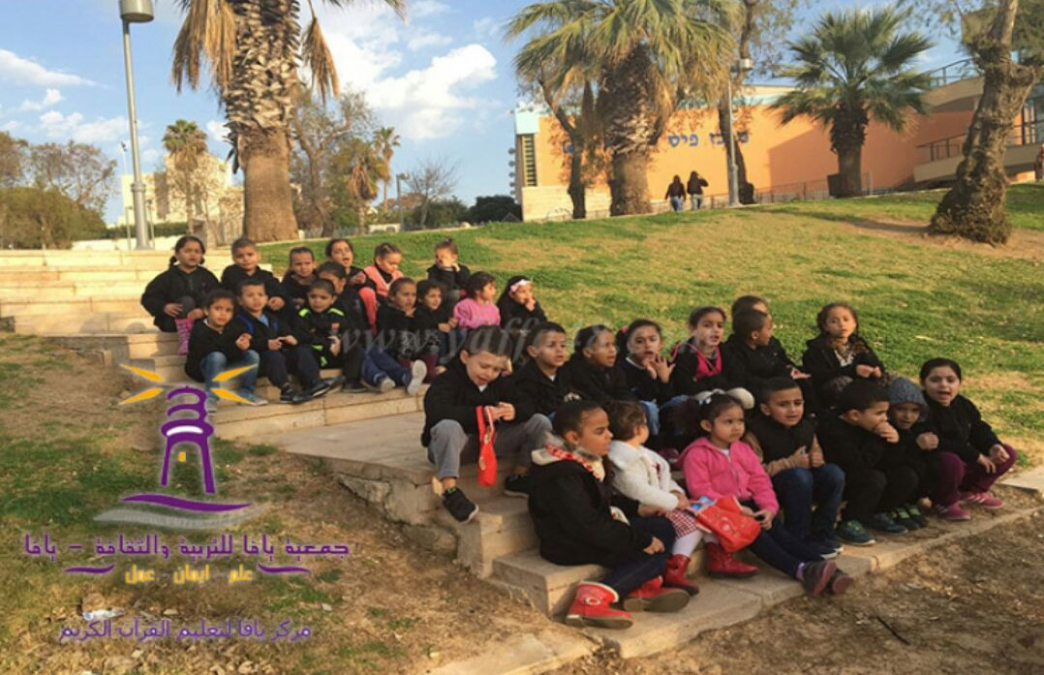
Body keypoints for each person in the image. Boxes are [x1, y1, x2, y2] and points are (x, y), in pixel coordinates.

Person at [529, 400, 690, 628]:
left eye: (608, 429)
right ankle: (590, 600)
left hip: (593, 529)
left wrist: (637, 508)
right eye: (600, 431)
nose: (610, 435)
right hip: (569, 543)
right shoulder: (562, 474)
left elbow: (599, 500)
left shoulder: (582, 458)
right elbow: (587, 525)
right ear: (574, 437)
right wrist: (641, 540)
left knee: (662, 527)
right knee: (653, 554)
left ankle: (639, 588)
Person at [678, 392, 852, 596]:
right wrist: (736, 508)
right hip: (720, 509)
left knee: (780, 533)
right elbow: (700, 490)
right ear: (707, 425)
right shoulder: (697, 454)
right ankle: (800, 570)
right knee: (757, 536)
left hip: (748, 504)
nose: (737, 427)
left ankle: (825, 568)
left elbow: (760, 480)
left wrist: (769, 508)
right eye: (728, 422)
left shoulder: (742, 449)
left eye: (740, 421)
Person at [423, 326, 551, 521]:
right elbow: (437, 411)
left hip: (489, 443)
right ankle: (450, 491)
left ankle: (518, 477)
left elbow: (529, 404)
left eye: (496, 369)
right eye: (484, 366)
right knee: (448, 426)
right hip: (456, 445)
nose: (489, 373)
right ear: (465, 357)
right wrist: (479, 414)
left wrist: (514, 411)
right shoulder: (447, 381)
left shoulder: (502, 383)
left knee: (540, 422)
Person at [607, 401, 703, 595]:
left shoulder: (643, 453)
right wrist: (673, 502)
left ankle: (685, 564)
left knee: (703, 519)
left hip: (662, 502)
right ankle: (673, 568)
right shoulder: (622, 459)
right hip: (644, 509)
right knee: (692, 526)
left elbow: (663, 478)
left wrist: (676, 492)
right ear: (639, 429)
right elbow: (638, 491)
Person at [744, 377, 845, 558]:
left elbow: (816, 450)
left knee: (834, 474)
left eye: (797, 403)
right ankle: (798, 538)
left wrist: (817, 459)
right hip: (773, 488)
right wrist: (791, 463)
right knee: (799, 476)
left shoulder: (806, 427)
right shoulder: (755, 433)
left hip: (804, 483)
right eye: (783, 405)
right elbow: (755, 473)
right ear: (766, 409)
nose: (792, 410)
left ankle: (823, 533)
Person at [817, 380, 913, 545]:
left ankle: (876, 513)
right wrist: (877, 439)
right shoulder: (833, 430)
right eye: (879, 413)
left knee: (904, 475)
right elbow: (857, 465)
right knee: (873, 479)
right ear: (855, 415)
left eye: (886, 412)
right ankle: (849, 521)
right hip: (841, 481)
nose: (885, 418)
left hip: (864, 475)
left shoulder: (869, 426)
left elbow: (890, 462)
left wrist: (895, 441)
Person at [920, 358, 1018, 513]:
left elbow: (978, 428)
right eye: (935, 380)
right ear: (923, 383)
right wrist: (976, 456)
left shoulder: (962, 404)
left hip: (965, 460)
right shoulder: (920, 407)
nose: (943, 385)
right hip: (935, 465)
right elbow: (938, 442)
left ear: (960, 383)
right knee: (950, 460)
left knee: (1008, 453)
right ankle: (944, 501)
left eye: (950, 380)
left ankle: (969, 491)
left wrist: (993, 446)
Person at [229, 278, 323, 406]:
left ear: (266, 298)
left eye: (260, 295)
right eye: (250, 296)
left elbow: (286, 331)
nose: (256, 299)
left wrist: (291, 339)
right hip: (261, 361)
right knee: (273, 355)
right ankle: (286, 390)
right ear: (240, 300)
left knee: (301, 350)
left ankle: (312, 383)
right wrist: (266, 344)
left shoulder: (271, 318)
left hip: (280, 358)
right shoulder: (239, 320)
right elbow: (244, 343)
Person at [141, 235, 220, 355]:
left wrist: (204, 310)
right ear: (177, 254)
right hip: (173, 321)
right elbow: (148, 298)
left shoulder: (208, 277)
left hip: (201, 320)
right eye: (187, 251)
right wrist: (163, 307)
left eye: (197, 251)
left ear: (202, 255)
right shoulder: (166, 277)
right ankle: (185, 339)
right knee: (186, 301)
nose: (192, 254)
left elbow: (219, 297)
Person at [184, 289, 261, 412]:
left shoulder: (234, 326)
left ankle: (246, 392)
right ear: (206, 311)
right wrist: (236, 347)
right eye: (218, 309)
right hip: (203, 367)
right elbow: (212, 351)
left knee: (252, 355)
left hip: (225, 365)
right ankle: (211, 397)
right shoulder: (199, 329)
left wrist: (246, 340)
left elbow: (246, 336)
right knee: (217, 356)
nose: (223, 314)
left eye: (228, 310)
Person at [802, 302, 886, 407]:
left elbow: (874, 362)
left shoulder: (859, 344)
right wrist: (853, 370)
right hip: (832, 392)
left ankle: (887, 410)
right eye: (834, 321)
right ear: (825, 326)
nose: (841, 325)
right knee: (843, 382)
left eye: (846, 320)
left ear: (854, 323)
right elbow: (819, 375)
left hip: (862, 386)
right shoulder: (818, 348)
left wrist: (877, 371)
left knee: (892, 379)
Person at [668, 306, 754, 409]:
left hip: (723, 390)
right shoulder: (685, 353)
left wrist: (712, 384)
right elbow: (685, 387)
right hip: (696, 397)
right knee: (709, 400)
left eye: (720, 326)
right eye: (707, 325)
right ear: (692, 329)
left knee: (744, 396)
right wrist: (717, 382)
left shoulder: (724, 349)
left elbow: (738, 378)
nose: (715, 330)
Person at [295, 279, 365, 393]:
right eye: (313, 297)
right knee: (302, 350)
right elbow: (303, 336)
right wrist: (327, 345)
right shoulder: (303, 314)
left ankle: (351, 381)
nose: (317, 301)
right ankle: (313, 383)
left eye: (323, 298)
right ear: (307, 297)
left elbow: (348, 331)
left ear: (333, 299)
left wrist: (339, 342)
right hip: (316, 354)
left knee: (355, 347)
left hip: (335, 353)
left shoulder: (337, 314)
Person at [886, 377, 937, 526]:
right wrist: (915, 446)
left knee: (932, 463)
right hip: (891, 480)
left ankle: (910, 502)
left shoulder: (918, 428)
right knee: (906, 474)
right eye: (901, 409)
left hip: (912, 485)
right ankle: (891, 506)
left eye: (914, 410)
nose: (908, 416)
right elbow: (890, 460)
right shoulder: (886, 430)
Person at [615, 320, 674, 441]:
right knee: (649, 408)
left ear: (661, 343)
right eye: (639, 341)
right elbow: (637, 400)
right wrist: (651, 378)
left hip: (661, 412)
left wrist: (664, 380)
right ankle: (655, 443)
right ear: (628, 345)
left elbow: (666, 399)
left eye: (653, 340)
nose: (647, 345)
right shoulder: (621, 368)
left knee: (682, 400)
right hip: (639, 414)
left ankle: (677, 442)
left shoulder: (662, 364)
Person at [376, 278, 438, 383]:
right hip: (392, 350)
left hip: (415, 349)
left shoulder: (418, 310)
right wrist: (403, 316)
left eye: (413, 295)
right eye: (405, 295)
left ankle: (429, 370)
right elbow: (390, 332)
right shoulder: (386, 311)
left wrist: (415, 318)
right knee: (404, 336)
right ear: (392, 296)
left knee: (431, 336)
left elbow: (425, 326)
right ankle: (407, 371)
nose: (410, 299)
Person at [512, 322, 575, 417]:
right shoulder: (524, 379)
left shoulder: (568, 372)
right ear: (533, 351)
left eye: (563, 345)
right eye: (551, 345)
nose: (559, 350)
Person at [220, 237, 292, 320]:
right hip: (240, 314)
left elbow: (278, 288)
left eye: (250, 255)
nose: (246, 259)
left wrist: (280, 298)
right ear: (234, 259)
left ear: (258, 256)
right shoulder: (231, 274)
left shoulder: (265, 275)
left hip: (266, 311)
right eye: (240, 256)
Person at [564, 325, 635, 404]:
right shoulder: (575, 372)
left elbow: (624, 393)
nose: (613, 350)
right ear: (587, 352)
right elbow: (599, 398)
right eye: (606, 345)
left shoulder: (615, 369)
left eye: (614, 344)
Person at [327, 237, 378, 330]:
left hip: (361, 310)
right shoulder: (330, 273)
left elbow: (373, 286)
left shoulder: (357, 271)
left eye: (347, 250)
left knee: (367, 292)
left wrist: (364, 281)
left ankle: (373, 326)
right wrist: (349, 283)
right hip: (341, 309)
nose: (344, 254)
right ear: (330, 258)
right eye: (338, 252)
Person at [415, 279, 460, 366]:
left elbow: (445, 319)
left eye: (439, 296)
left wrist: (450, 322)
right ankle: (439, 363)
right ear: (420, 299)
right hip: (425, 342)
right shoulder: (419, 312)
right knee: (439, 335)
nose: (436, 300)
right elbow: (421, 325)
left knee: (458, 333)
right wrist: (437, 326)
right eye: (432, 296)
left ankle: (452, 360)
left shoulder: (440, 311)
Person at [427, 238, 471, 307]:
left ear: (454, 258)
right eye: (436, 257)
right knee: (455, 294)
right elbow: (445, 287)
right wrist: (446, 270)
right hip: (443, 298)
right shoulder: (434, 271)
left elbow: (467, 284)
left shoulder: (462, 269)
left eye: (443, 257)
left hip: (462, 299)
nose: (439, 260)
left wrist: (458, 272)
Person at [281, 247, 318, 311]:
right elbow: (284, 298)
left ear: (314, 264)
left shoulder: (319, 279)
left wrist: (305, 302)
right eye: (298, 264)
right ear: (291, 266)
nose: (303, 267)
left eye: (307, 263)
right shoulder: (288, 283)